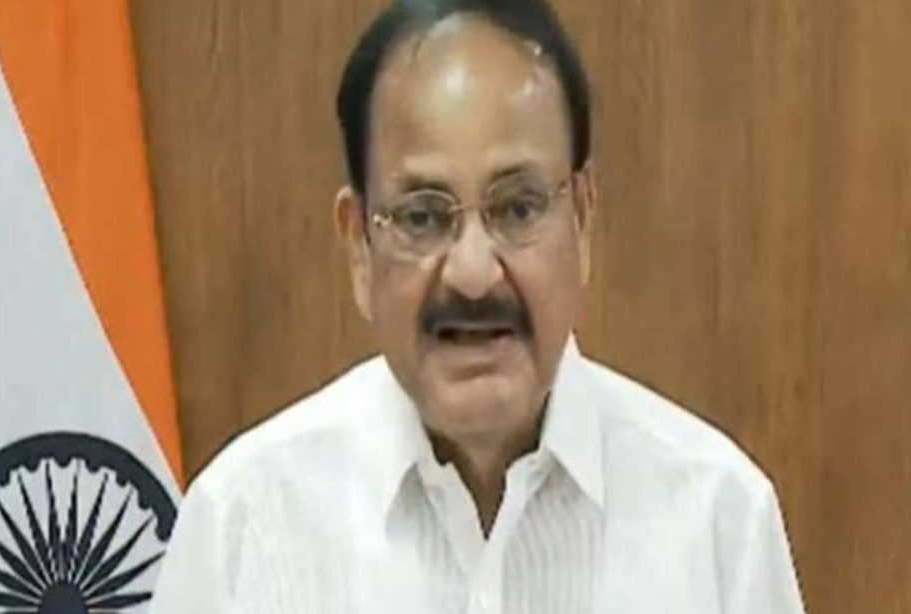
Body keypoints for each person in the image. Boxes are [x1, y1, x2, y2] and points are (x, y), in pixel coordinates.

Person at [151, 1, 806, 612]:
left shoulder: (717, 520)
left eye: (518, 209)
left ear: (582, 219)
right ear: (358, 245)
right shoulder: (243, 525)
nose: (471, 274)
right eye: (422, 217)